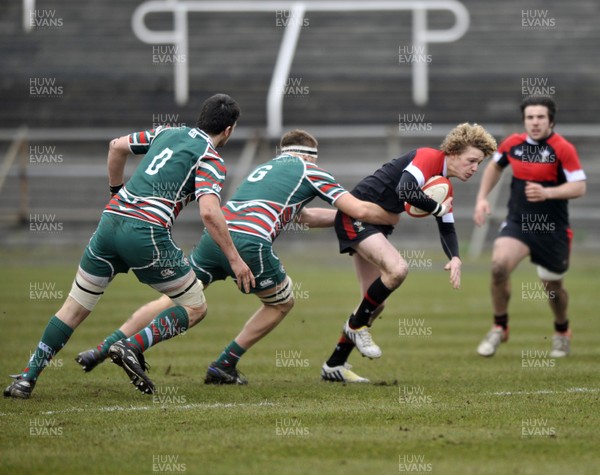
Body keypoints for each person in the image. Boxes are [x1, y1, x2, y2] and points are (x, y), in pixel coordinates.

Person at [76, 129, 398, 392]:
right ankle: (224, 364)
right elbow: (358, 210)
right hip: (250, 243)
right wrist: (393, 214)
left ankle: (105, 348)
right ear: (308, 155)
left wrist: (339, 218)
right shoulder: (309, 169)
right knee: (281, 304)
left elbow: (306, 216)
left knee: (173, 299)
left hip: (217, 236)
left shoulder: (265, 170)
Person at [3, 93, 253, 399]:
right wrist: (236, 260)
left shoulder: (167, 131)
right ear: (228, 130)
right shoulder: (211, 158)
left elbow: (116, 146)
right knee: (195, 306)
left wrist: (115, 191)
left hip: (109, 223)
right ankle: (131, 346)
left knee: (73, 308)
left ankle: (27, 378)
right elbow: (210, 212)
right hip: (145, 233)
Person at [320, 122, 498, 383]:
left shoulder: (443, 184)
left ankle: (334, 365)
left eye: (479, 164)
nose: (475, 168)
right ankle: (355, 327)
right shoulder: (428, 157)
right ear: (454, 151)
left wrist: (456, 258)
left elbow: (447, 226)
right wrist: (437, 208)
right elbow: (406, 190)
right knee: (398, 270)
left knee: (375, 304)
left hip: (377, 225)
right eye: (472, 160)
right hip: (357, 216)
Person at [474, 96, 586, 358]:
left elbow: (579, 186)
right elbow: (494, 167)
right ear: (524, 120)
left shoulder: (563, 148)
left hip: (552, 230)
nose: (535, 122)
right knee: (499, 266)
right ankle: (499, 327)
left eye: (540, 117)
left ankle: (561, 330)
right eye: (530, 117)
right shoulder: (513, 143)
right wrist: (481, 199)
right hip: (518, 224)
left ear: (551, 120)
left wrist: (549, 193)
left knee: (553, 287)